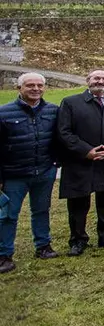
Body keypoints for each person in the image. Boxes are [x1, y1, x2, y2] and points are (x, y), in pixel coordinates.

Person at [57, 70, 104, 256]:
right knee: (78, 203)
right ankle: (78, 240)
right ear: (88, 80)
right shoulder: (71, 102)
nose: (101, 81)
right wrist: (85, 150)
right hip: (81, 160)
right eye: (96, 78)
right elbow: (64, 132)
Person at [0, 73, 60, 273]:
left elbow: (60, 138)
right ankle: (4, 254)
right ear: (19, 89)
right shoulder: (4, 113)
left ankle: (43, 246)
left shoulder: (53, 111)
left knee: (41, 210)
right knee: (8, 215)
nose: (35, 89)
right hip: (14, 174)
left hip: (44, 171)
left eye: (39, 85)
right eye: (30, 85)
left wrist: (55, 162)